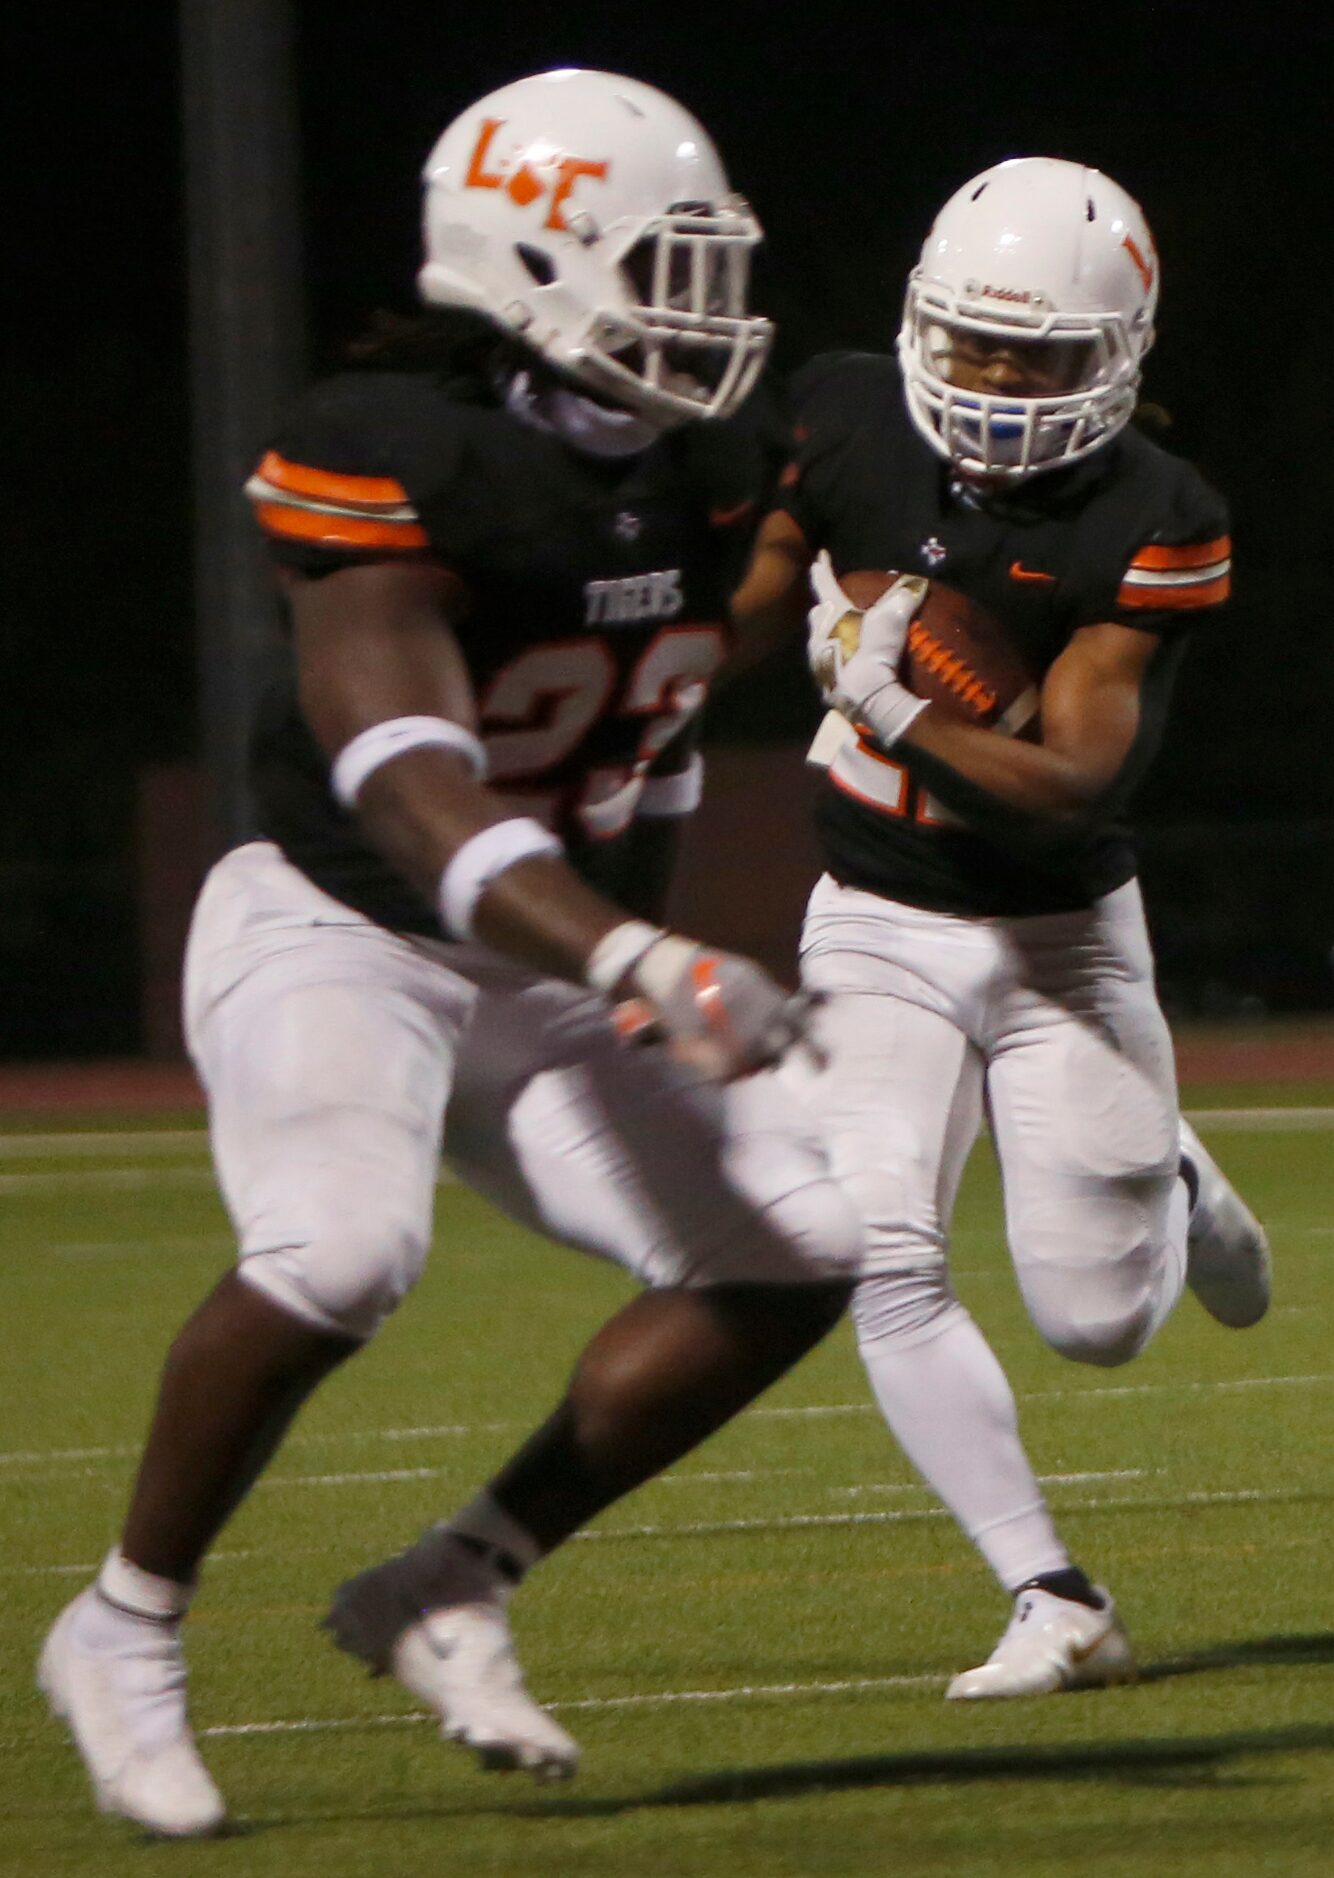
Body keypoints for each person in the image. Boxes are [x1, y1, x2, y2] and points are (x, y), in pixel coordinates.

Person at [36, 69, 861, 1838]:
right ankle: (122, 1627)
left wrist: (633, 955)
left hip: (555, 963)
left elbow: (659, 708)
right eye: (658, 266)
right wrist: (641, 952)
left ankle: (455, 1575)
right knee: (340, 1252)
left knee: (798, 1239)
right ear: (530, 263)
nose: (697, 314)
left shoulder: (715, 461)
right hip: (344, 926)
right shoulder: (388, 449)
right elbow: (413, 789)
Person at [732, 157, 1271, 1700]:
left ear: (1112, 354)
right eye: (967, 341)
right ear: (916, 322)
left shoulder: (1157, 516)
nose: (989, 380)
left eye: (1032, 353)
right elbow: (754, 612)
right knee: (872, 1244)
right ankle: (1053, 1593)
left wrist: (887, 697)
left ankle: (1166, 1166)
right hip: (872, 919)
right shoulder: (838, 414)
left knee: (1093, 1322)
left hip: (1057, 940)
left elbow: (1064, 784)